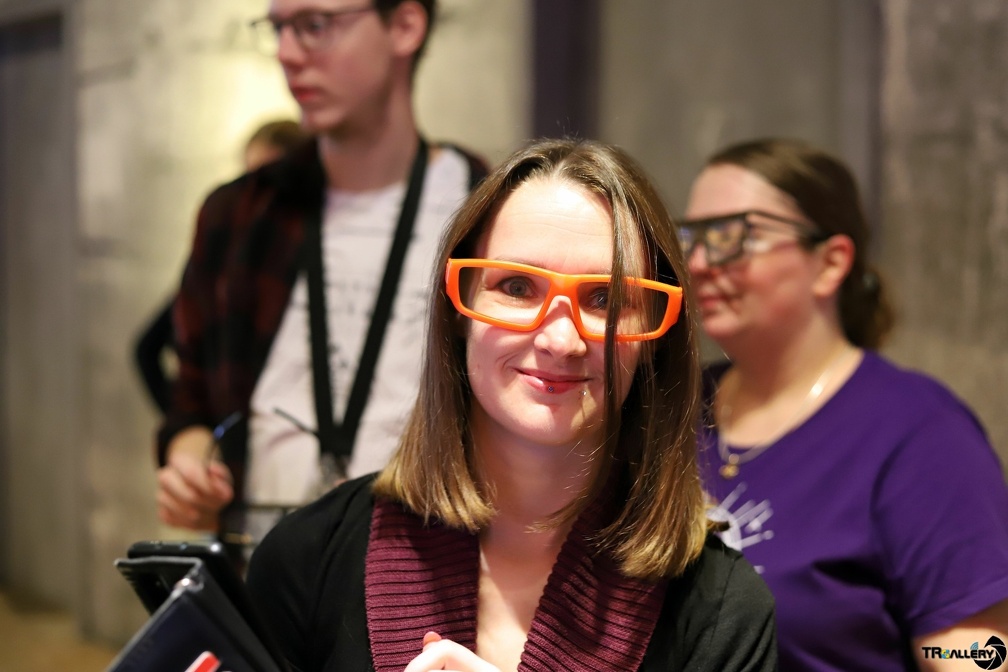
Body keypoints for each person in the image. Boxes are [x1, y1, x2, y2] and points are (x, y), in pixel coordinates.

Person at [245, 138, 777, 672]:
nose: (560, 341)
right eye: (518, 287)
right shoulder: (306, 559)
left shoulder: (723, 610)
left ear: (656, 337)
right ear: (458, 308)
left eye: (606, 299)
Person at [154, 0, 488, 557]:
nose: (287, 54)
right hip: (262, 567)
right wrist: (190, 464)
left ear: (404, 26)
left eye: (314, 26)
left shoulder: (484, 210)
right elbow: (193, 402)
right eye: (278, 29)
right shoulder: (241, 214)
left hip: (429, 570)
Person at [680, 137, 1008, 671]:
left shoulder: (920, 432)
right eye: (691, 237)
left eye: (732, 236)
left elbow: (980, 655)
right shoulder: (669, 408)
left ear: (830, 263)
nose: (697, 263)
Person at [134, 119, 310, 414]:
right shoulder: (225, 255)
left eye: (268, 177)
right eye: (248, 176)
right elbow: (148, 348)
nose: (255, 192)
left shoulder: (309, 251)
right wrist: (189, 425)